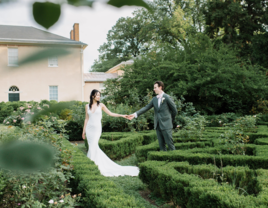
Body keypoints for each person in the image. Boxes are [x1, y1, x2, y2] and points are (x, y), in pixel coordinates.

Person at [82, 89, 139, 177]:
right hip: (89, 129)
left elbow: (111, 114)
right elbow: (86, 118)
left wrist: (122, 115)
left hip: (97, 129)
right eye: (97, 95)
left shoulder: (101, 105)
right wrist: (84, 131)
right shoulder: (87, 106)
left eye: (99, 95)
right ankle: (94, 164)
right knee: (93, 147)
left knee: (93, 145)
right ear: (92, 96)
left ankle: (91, 166)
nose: (99, 97)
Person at [127, 81, 177, 151]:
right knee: (161, 146)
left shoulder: (167, 97)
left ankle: (174, 160)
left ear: (160, 87)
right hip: (158, 125)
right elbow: (146, 108)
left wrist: (170, 121)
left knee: (170, 144)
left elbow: (174, 111)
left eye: (155, 87)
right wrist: (135, 114)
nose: (154, 89)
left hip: (166, 125)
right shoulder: (154, 99)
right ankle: (164, 160)